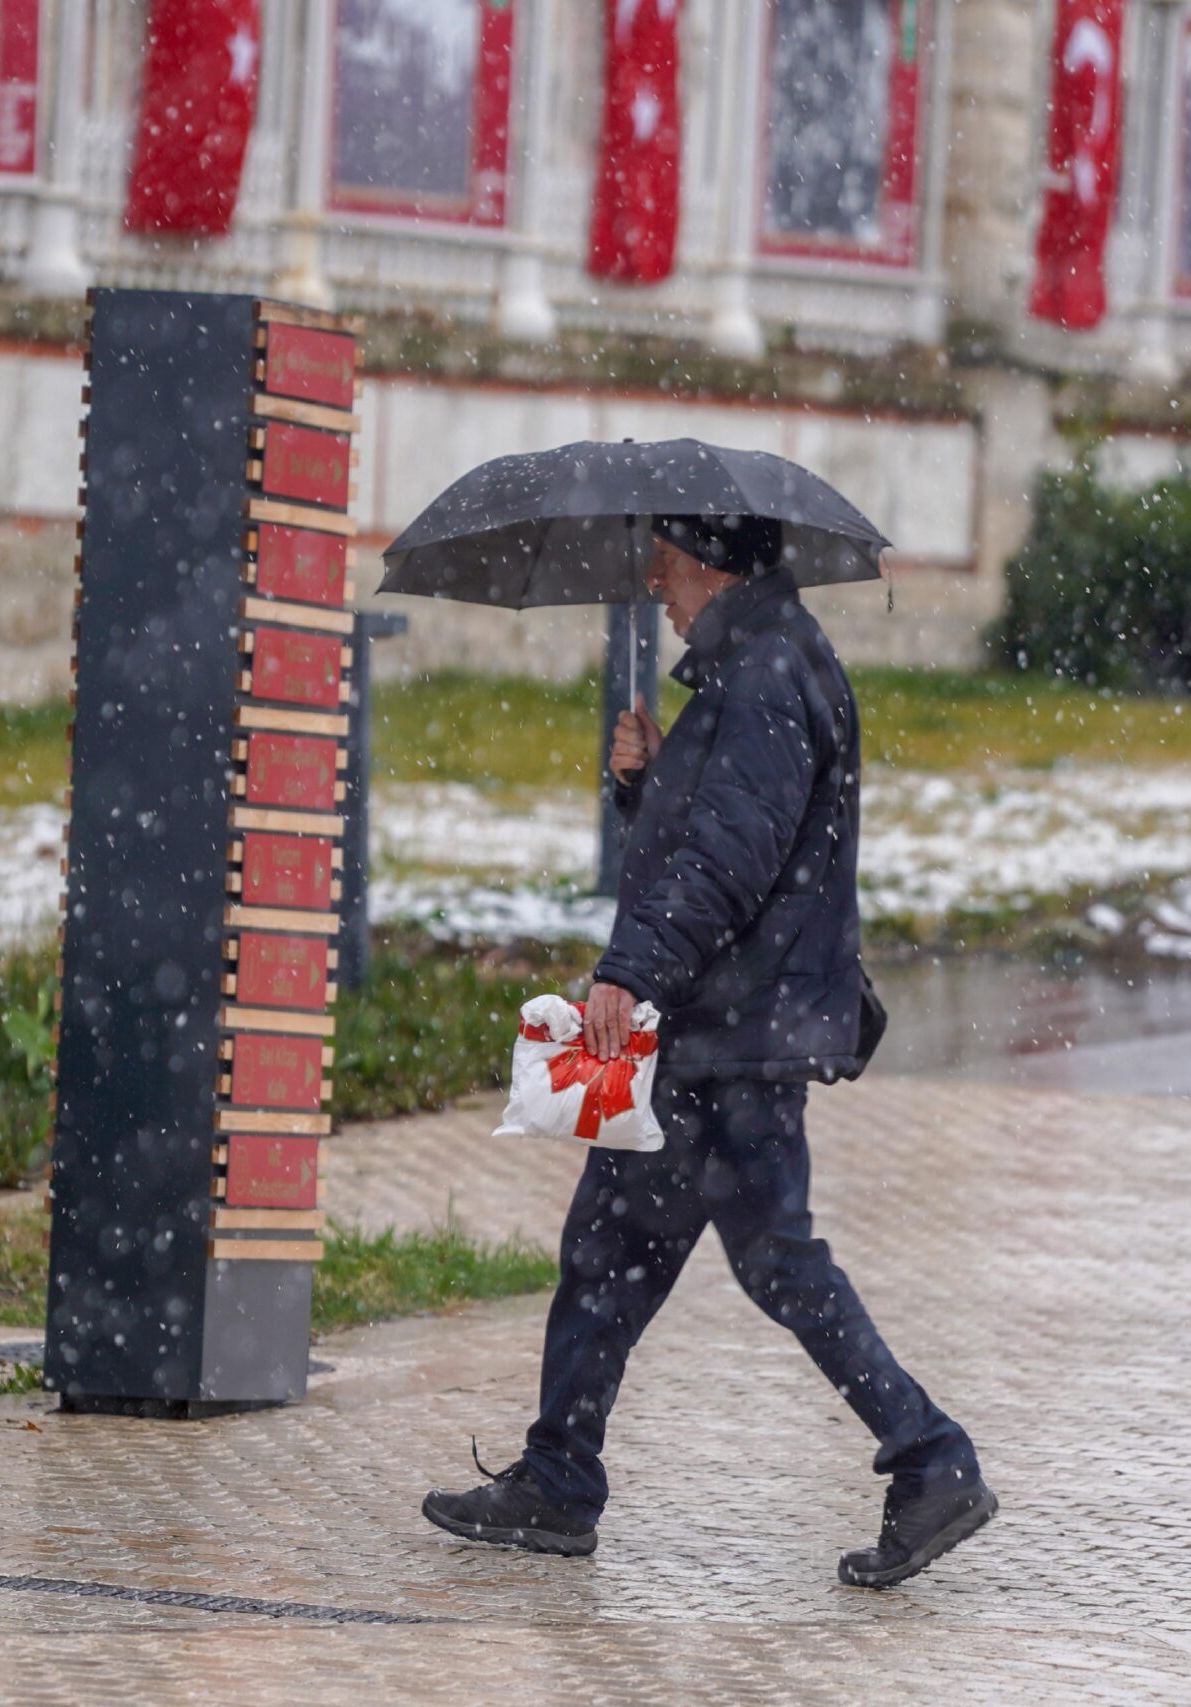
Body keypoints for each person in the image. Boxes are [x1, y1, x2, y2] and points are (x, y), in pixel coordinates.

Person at [421, 514, 994, 1590]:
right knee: (621, 1255)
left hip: (730, 1035)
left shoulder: (765, 679)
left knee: (756, 1261)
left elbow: (727, 866)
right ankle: (560, 1477)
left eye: (668, 564)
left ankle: (929, 1459)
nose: (655, 582)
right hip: (727, 1029)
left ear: (713, 566)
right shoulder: (759, 667)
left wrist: (629, 972)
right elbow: (729, 840)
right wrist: (648, 782)